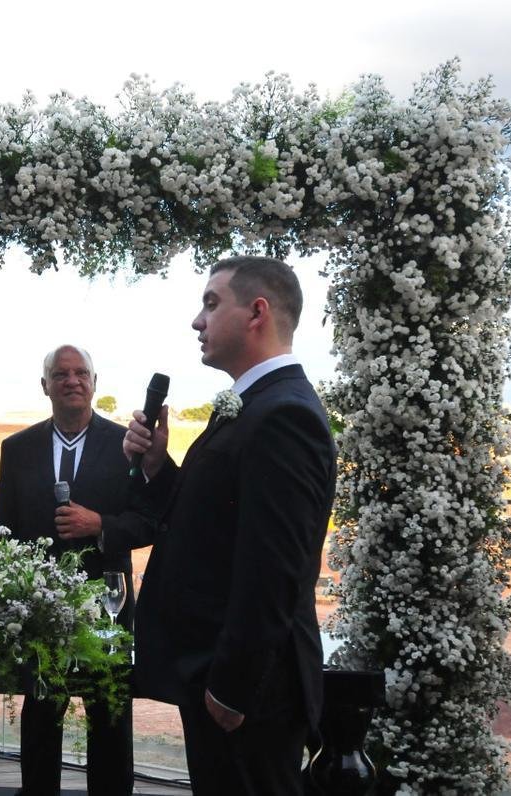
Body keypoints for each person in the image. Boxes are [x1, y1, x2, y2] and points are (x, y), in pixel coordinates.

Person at [123, 256, 337, 794]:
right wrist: (157, 468)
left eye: (211, 303)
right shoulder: (253, 404)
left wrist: (231, 690)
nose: (197, 320)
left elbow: (277, 568)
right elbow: (216, 522)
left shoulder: (284, 416)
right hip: (216, 680)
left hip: (250, 695)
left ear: (257, 313)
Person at [0, 345, 155, 796]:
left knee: (109, 715)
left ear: (94, 382)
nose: (71, 380)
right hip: (40, 611)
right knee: (42, 715)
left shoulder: (129, 445)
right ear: (44, 385)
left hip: (108, 604)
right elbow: (4, 532)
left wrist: (100, 525)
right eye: (60, 374)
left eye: (80, 372)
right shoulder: (17, 449)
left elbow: (150, 520)